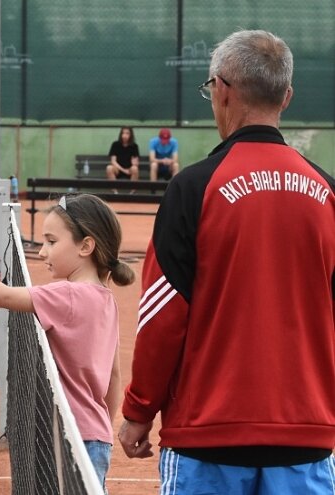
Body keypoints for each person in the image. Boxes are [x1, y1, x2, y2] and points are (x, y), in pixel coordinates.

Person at [119, 29, 335, 494]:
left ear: (222, 90)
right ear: (287, 97)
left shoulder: (194, 188)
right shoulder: (328, 192)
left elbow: (162, 315)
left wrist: (139, 410)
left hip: (207, 439)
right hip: (307, 439)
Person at [0, 193, 135, 491]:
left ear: (86, 246)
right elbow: (114, 376)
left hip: (68, 435)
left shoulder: (68, 295)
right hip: (95, 436)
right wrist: (102, 424)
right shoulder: (106, 300)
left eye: (52, 242)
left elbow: (1, 296)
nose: (41, 252)